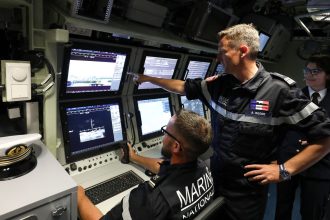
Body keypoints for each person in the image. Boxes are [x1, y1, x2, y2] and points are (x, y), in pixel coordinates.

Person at [129, 23, 330, 220]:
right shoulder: (219, 85)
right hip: (213, 182)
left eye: (222, 51)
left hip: (246, 196)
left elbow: (325, 137)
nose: (217, 57)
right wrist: (148, 79)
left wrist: (284, 170)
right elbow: (182, 87)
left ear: (242, 51)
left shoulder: (280, 92)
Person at [77, 109, 214, 220]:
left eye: (166, 132)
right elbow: (162, 166)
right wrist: (134, 157)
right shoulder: (203, 168)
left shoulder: (149, 199)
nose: (163, 137)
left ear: (176, 147)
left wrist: (80, 198)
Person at [275, 54, 330, 220]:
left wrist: (314, 141)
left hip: (321, 165)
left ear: (327, 75)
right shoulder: (293, 96)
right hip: (289, 159)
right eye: (307, 70)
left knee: (312, 211)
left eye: (316, 71)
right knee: (282, 207)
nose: (309, 74)